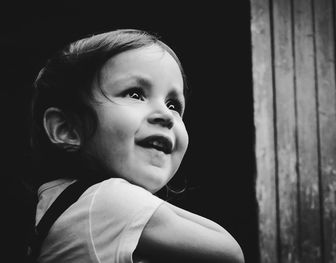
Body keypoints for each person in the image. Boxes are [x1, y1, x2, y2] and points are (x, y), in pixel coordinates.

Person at [29, 28, 244, 263]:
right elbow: (229, 253)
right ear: (66, 129)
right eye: (135, 94)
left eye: (173, 105)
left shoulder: (64, 204)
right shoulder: (106, 201)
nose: (166, 115)